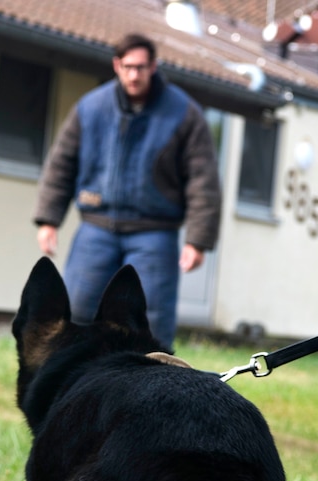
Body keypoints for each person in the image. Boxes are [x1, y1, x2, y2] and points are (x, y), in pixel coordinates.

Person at [34, 32, 221, 350]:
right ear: (117, 65)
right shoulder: (90, 108)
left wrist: (197, 240)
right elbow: (61, 164)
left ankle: (156, 389)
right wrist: (48, 219)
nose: (135, 75)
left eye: (142, 67)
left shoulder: (184, 113)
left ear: (154, 67)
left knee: (153, 321)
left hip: (154, 233)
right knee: (77, 309)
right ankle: (76, 383)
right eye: (128, 67)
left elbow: (203, 179)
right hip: (96, 228)